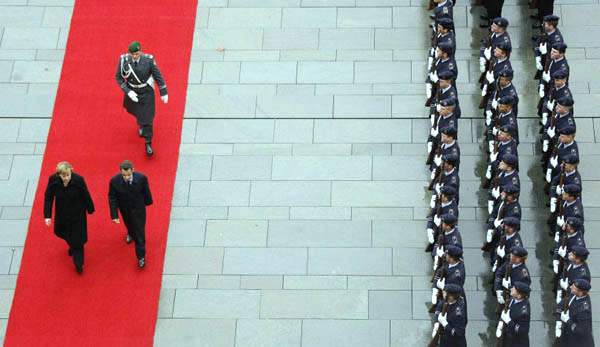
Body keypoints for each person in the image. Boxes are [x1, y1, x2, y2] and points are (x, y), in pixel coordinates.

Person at [116, 41, 168, 156]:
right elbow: (119, 78)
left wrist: (163, 91)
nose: (136, 56)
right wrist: (128, 92)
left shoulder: (148, 60)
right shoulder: (124, 60)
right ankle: (141, 123)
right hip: (132, 91)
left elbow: (157, 75)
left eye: (138, 53)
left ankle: (148, 142)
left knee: (149, 118)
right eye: (133, 54)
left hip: (146, 92)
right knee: (134, 110)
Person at [44, 161, 95, 274]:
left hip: (77, 215)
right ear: (58, 175)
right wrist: (47, 215)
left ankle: (78, 264)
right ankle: (71, 244)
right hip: (62, 215)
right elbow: (48, 197)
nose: (66, 178)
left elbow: (85, 194)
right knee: (65, 233)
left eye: (68, 175)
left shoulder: (78, 180)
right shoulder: (53, 180)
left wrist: (90, 208)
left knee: (78, 241)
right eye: (64, 176)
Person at [108, 160, 153, 268]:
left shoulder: (141, 178)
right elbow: (112, 198)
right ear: (120, 172)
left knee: (139, 234)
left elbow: (146, 191)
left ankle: (141, 256)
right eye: (124, 175)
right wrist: (114, 215)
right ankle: (130, 232)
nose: (127, 177)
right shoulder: (114, 181)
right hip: (125, 210)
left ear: (133, 170)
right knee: (130, 226)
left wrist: (148, 202)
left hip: (139, 211)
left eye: (128, 175)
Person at [555, 279, 595, 346]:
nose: (570, 287)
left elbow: (581, 330)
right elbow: (562, 303)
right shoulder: (575, 295)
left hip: (579, 343)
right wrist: (558, 319)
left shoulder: (584, 311)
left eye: (573, 287)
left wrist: (568, 320)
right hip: (569, 336)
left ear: (580, 292)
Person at [499, 281, 531, 347]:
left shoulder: (524, 312)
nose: (511, 289)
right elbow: (506, 310)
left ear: (519, 295)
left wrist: (509, 321)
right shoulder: (513, 299)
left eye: (514, 289)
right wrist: (501, 322)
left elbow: (523, 331)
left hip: (516, 342)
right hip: (507, 337)